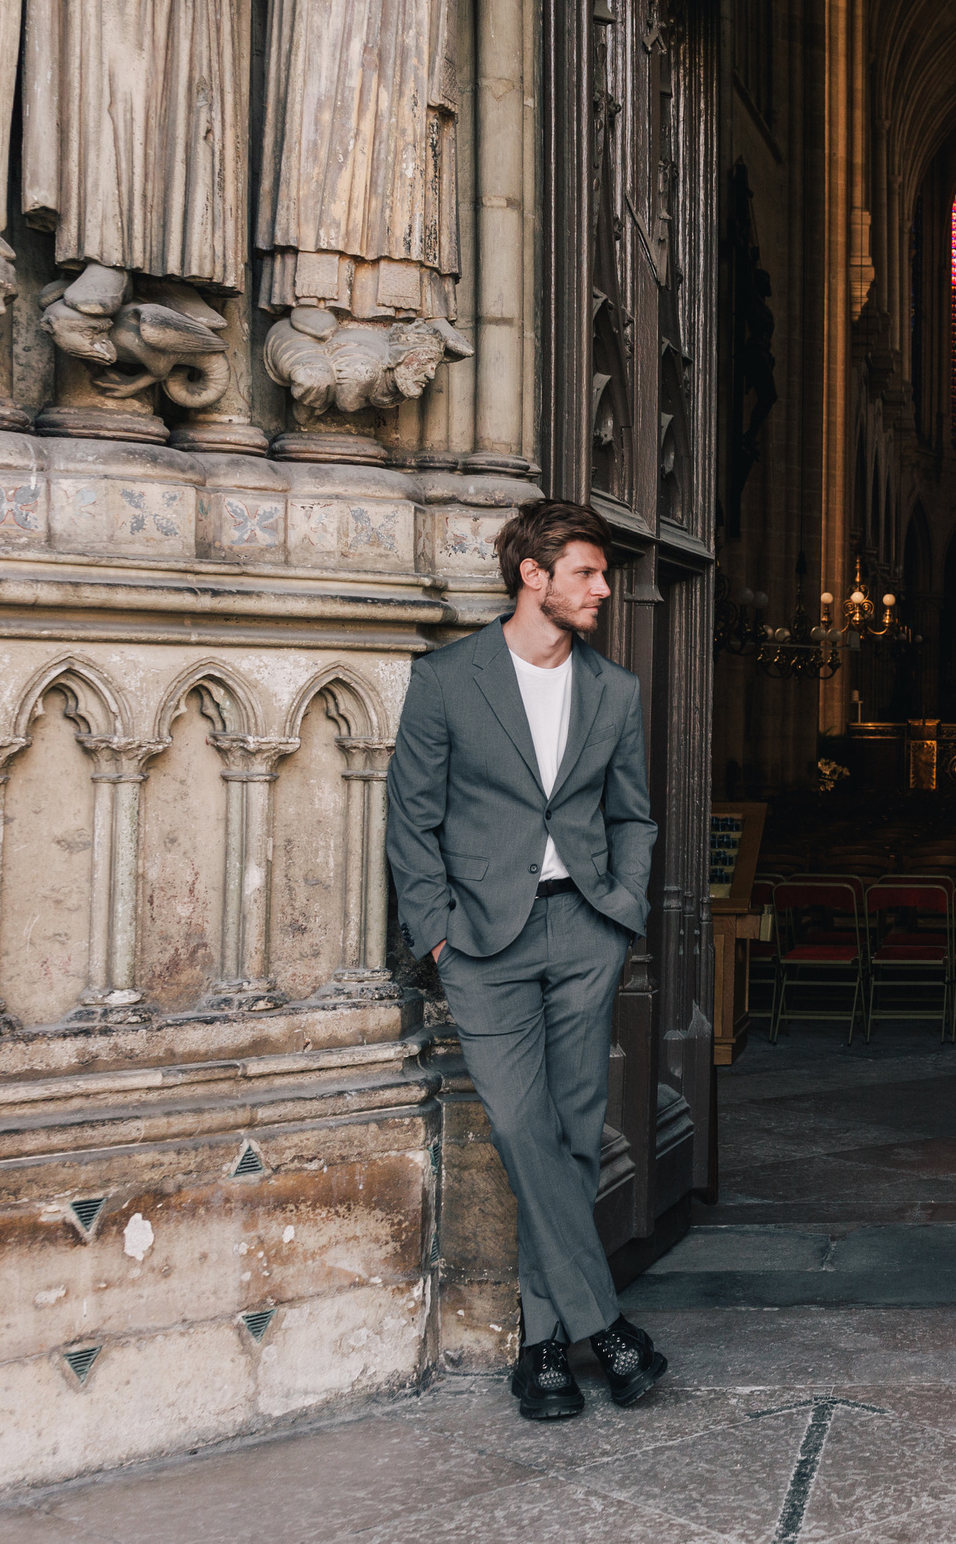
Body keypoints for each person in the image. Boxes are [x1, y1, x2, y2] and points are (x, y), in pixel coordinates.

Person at [384, 500, 667, 1419]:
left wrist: (621, 908)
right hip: (482, 942)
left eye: (603, 574)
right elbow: (412, 819)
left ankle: (544, 1348)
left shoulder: (614, 690)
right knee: (519, 1124)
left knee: (577, 1130)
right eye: (586, 572)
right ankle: (606, 1326)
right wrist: (436, 932)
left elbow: (632, 813)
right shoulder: (447, 678)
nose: (602, 589)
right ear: (531, 576)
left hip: (584, 928)